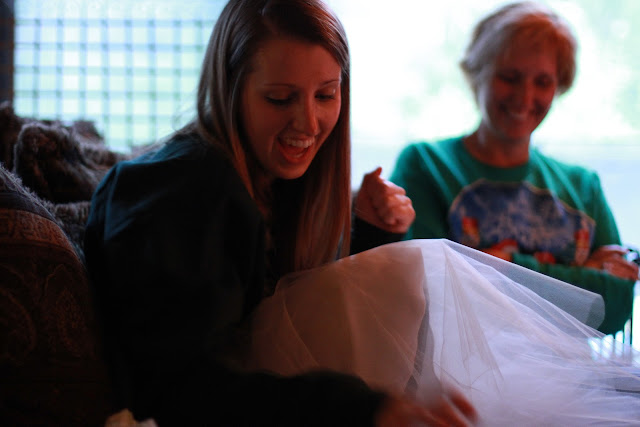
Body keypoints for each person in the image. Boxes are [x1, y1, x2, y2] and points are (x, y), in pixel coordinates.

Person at [84, 0, 476, 425]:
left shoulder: (276, 184)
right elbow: (180, 390)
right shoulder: (181, 193)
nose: (308, 123)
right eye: (280, 98)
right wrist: (364, 410)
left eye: (325, 95)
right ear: (230, 89)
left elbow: (294, 313)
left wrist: (371, 232)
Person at [389, 0, 639, 335]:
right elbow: (430, 294)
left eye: (543, 82)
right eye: (510, 77)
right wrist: (578, 279)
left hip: (568, 369)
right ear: (478, 74)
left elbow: (614, 309)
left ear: (559, 86)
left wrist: (501, 264)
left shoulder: (584, 185)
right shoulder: (426, 164)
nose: (524, 97)